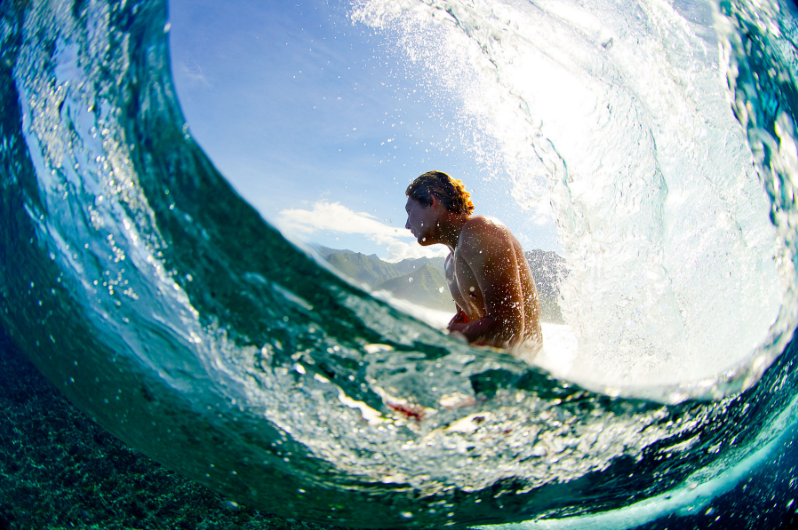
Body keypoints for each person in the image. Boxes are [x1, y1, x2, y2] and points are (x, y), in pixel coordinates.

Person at [405, 171, 542, 352]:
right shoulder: (450, 263)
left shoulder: (480, 230)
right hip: (491, 367)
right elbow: (469, 325)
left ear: (431, 202)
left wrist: (443, 332)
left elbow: (507, 330)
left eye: (409, 211)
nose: (407, 225)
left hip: (523, 373)